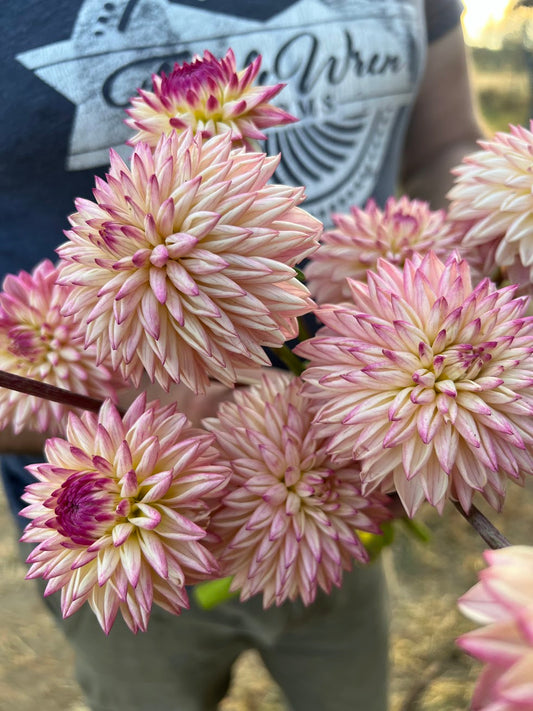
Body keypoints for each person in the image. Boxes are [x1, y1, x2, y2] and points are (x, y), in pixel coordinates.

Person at [0, 1, 479, 709]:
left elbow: (446, 146)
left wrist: (475, 272)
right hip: (113, 516)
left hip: (348, 482)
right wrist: (118, 412)